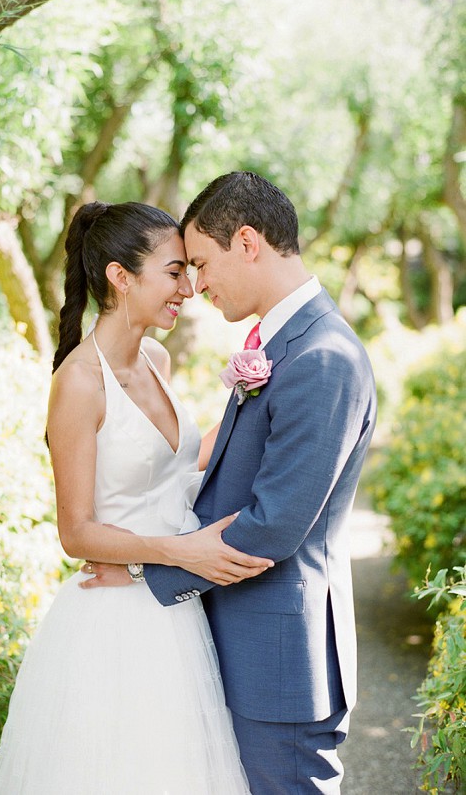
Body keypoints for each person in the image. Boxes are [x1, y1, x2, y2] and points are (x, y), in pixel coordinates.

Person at [85, 173, 378, 794]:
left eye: (201, 262)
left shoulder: (322, 357)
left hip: (280, 662)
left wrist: (143, 573)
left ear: (247, 242)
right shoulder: (283, 345)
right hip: (241, 643)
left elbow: (271, 525)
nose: (196, 284)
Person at [0, 200, 274, 794]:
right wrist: (176, 552)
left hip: (176, 610)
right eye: (174, 272)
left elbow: (170, 467)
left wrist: (256, 397)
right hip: (114, 624)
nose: (189, 288)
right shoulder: (78, 384)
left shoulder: (157, 358)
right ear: (121, 276)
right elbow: (76, 531)